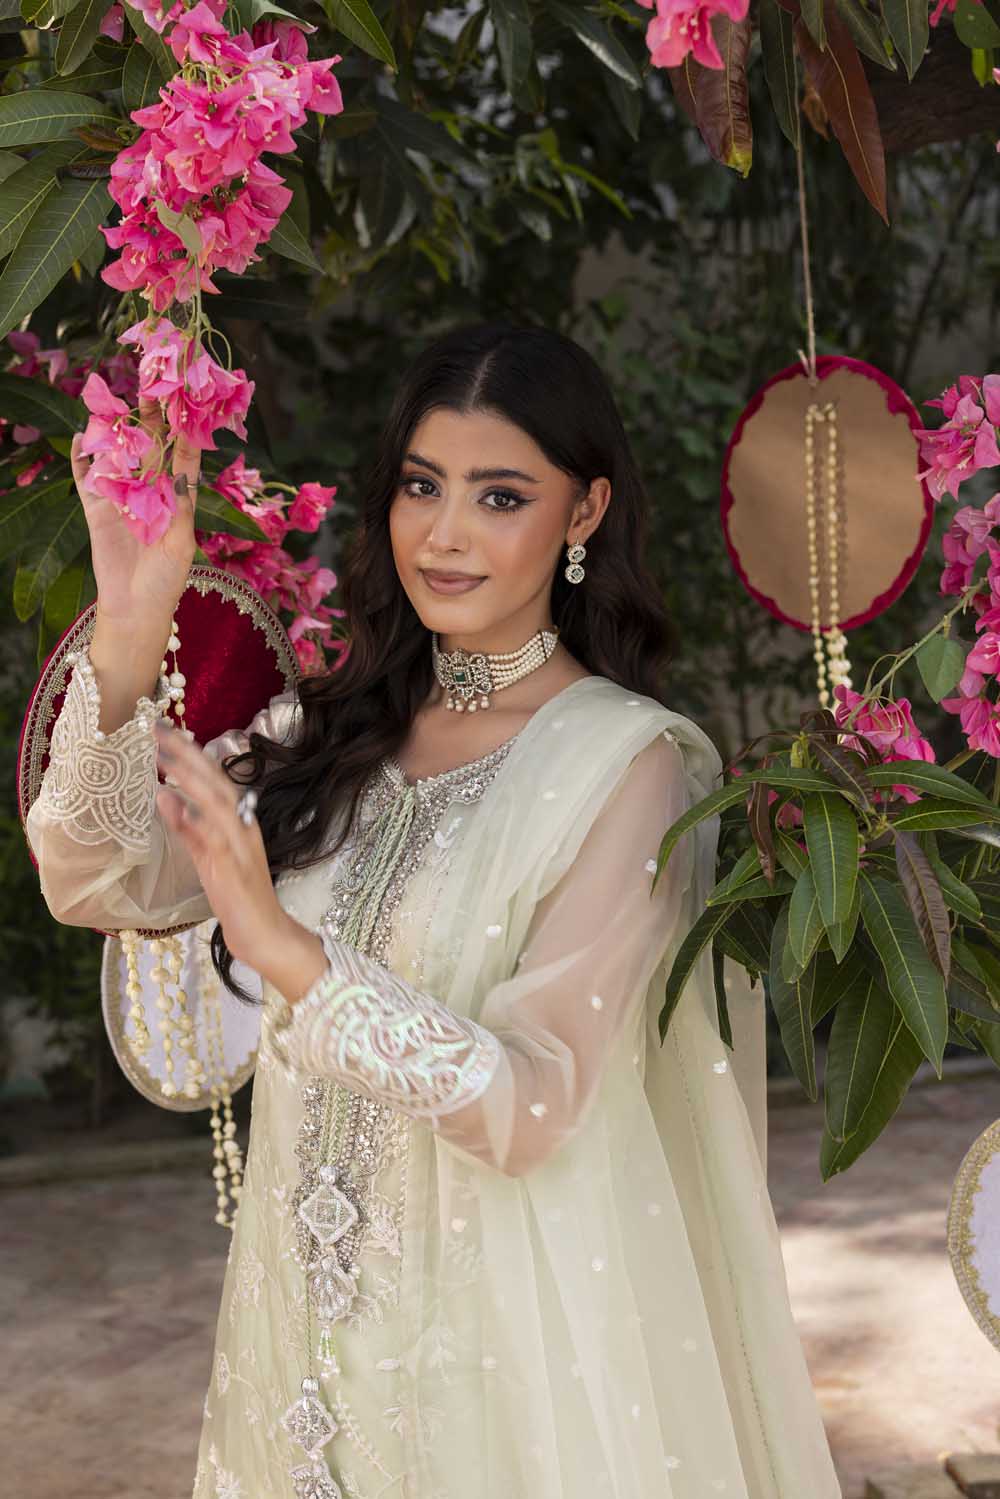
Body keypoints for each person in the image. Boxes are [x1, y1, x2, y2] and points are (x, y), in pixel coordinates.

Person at [25, 322, 842, 1499]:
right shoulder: (328, 737)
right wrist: (130, 617)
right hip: (294, 1351)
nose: (445, 533)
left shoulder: (626, 765)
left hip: (492, 1365)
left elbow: (534, 1101)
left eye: (499, 495)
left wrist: (288, 952)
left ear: (582, 511)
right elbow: (95, 877)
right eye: (421, 485)